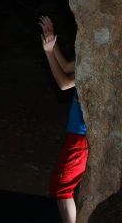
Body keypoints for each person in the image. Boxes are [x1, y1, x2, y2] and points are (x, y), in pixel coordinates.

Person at [40, 15, 87, 223]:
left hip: (81, 137)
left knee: (62, 188)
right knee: (59, 185)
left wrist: (49, 53)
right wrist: (52, 42)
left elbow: (64, 83)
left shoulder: (100, 63)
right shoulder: (93, 54)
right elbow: (68, 66)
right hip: (76, 134)